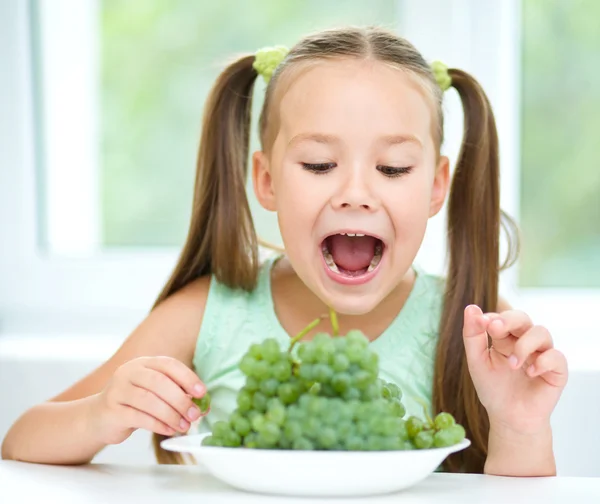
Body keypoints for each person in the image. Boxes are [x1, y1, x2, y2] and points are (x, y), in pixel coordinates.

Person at [1, 26, 568, 476]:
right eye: (320, 164)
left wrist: (520, 429)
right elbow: (21, 441)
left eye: (393, 168)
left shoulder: (471, 327)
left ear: (437, 186)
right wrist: (102, 415)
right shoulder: (211, 312)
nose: (355, 193)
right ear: (266, 179)